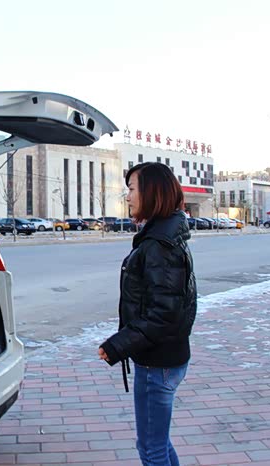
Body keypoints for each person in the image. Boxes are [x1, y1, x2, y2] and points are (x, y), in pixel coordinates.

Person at [98, 162, 197, 466]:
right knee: (157, 443)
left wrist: (118, 345)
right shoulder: (163, 234)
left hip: (158, 362)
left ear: (151, 192)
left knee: (151, 449)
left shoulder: (159, 243)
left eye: (132, 189)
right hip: (161, 356)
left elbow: (164, 314)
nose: (127, 196)